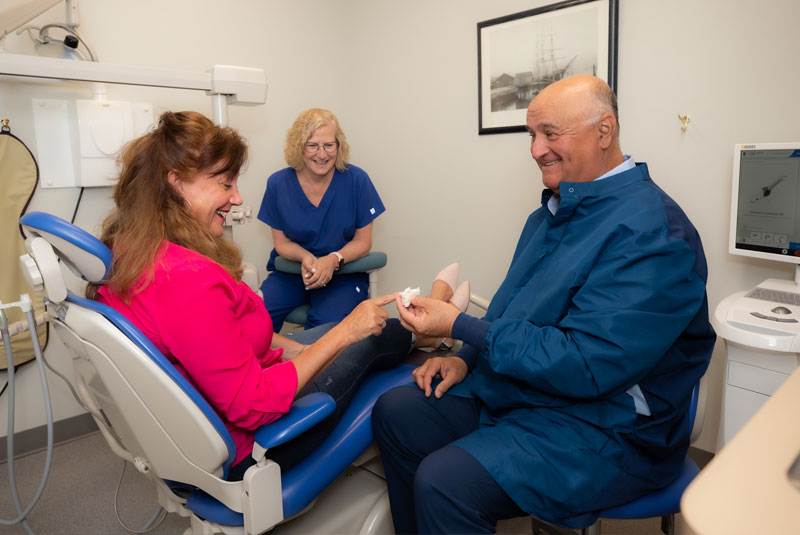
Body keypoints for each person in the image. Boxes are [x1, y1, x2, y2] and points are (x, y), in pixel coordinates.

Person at [372, 75, 716, 534]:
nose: (535, 149)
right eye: (532, 135)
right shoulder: (550, 214)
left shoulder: (653, 234)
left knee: (445, 481)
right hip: (536, 396)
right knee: (397, 411)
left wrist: (461, 326)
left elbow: (586, 362)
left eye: (551, 134)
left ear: (604, 130)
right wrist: (467, 360)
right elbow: (514, 308)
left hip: (610, 429)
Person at [86, 110, 449, 478]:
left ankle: (431, 322)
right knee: (367, 339)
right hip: (259, 442)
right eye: (226, 185)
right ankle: (437, 319)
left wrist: (309, 347)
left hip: (237, 388)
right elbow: (254, 405)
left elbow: (223, 341)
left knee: (337, 334)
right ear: (177, 183)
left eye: (329, 144)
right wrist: (346, 332)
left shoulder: (134, 249)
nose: (238, 198)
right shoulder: (187, 279)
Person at [257, 108, 384, 332]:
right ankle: (263, 367)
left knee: (325, 327)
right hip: (294, 274)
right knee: (256, 316)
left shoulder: (356, 180)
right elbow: (282, 243)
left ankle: (305, 365)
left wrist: (333, 259)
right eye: (313, 145)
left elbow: (363, 241)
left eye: (329, 145)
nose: (322, 154)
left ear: (339, 145)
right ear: (299, 146)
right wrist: (305, 256)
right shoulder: (278, 184)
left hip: (343, 276)